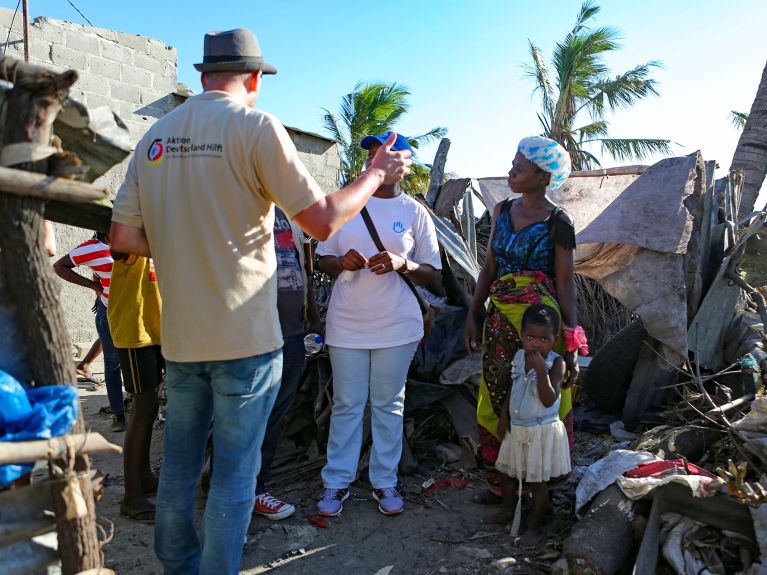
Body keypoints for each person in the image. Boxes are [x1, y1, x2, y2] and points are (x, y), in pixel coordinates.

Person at [109, 28, 411, 575]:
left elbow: (124, 239)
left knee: (177, 467)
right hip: (246, 339)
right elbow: (320, 221)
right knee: (234, 474)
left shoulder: (156, 137)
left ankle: (179, 566)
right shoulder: (254, 126)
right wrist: (373, 174)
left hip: (181, 341)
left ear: (203, 77)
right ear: (253, 80)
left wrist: (183, 244)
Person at [315, 132, 441, 517]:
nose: (376, 159)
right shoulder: (349, 205)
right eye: (372, 153)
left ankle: (384, 482)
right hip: (347, 324)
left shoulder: (415, 212)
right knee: (347, 404)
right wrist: (341, 263)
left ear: (404, 164)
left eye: (385, 153)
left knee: (389, 405)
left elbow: (433, 273)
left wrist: (404, 264)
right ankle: (336, 482)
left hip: (397, 326)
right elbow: (322, 259)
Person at [464, 136, 586, 501]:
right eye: (512, 165)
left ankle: (540, 489)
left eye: (520, 168)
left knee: (542, 399)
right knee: (497, 393)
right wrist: (474, 315)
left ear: (544, 177)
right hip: (500, 318)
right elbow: (489, 267)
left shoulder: (558, 222)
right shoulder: (501, 210)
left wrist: (571, 339)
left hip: (542, 325)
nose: (511, 172)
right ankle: (502, 485)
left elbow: (565, 284)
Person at [252, 207, 321, 520]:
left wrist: (313, 318)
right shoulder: (237, 203)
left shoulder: (290, 215)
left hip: (291, 332)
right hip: (252, 335)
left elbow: (302, 269)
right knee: (245, 413)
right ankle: (236, 488)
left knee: (275, 411)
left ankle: (255, 488)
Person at [487, 304, 571, 544]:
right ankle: (506, 511)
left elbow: (548, 399)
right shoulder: (518, 356)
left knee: (538, 482)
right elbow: (514, 389)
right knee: (506, 474)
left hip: (540, 432)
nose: (536, 343)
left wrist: (540, 372)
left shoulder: (556, 364)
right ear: (522, 336)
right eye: (530, 337)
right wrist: (504, 417)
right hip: (517, 428)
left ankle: (534, 527)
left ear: (554, 340)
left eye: (544, 338)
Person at [108, 251, 163, 523]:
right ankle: (131, 497)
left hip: (158, 330)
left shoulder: (165, 229)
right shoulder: (131, 231)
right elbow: (118, 247)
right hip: (135, 330)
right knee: (143, 407)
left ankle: (144, 478)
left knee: (150, 407)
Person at [53, 232, 125, 432]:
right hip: (110, 310)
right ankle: (119, 415)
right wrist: (94, 287)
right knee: (112, 363)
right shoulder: (91, 247)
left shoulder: (129, 240)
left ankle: (128, 405)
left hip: (133, 311)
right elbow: (59, 266)